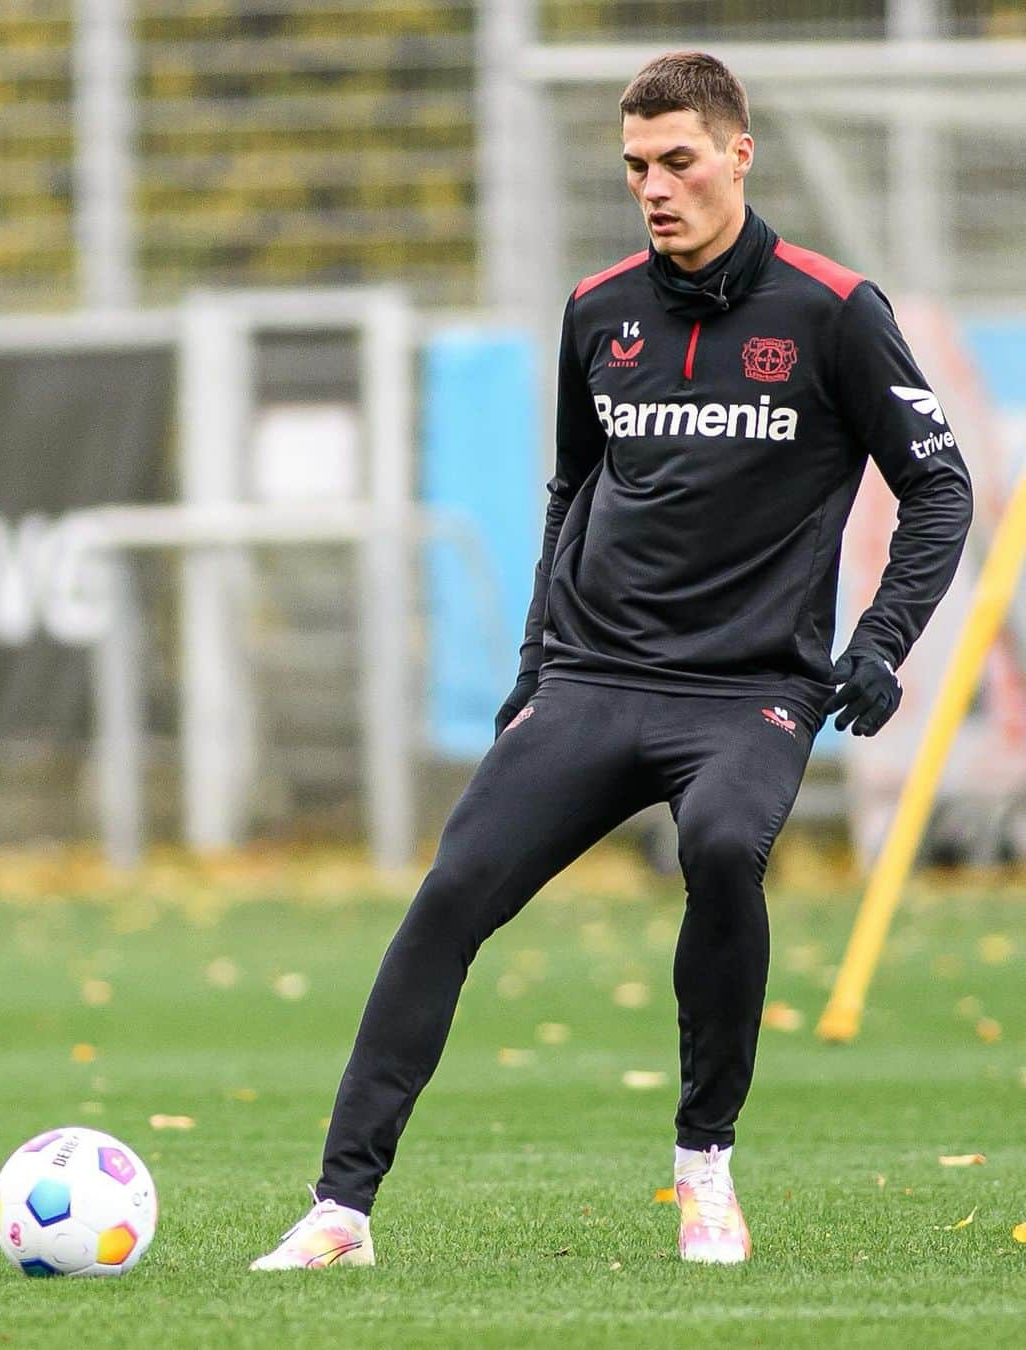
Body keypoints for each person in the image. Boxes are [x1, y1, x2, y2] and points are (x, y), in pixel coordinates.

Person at [251, 50, 972, 1270]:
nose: (655, 186)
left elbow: (937, 489)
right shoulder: (600, 312)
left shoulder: (834, 310)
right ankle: (341, 1209)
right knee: (449, 897)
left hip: (752, 692)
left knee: (726, 846)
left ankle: (705, 1169)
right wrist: (536, 671)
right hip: (595, 679)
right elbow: (572, 493)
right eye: (636, 165)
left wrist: (881, 644)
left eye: (679, 160)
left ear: (740, 154)